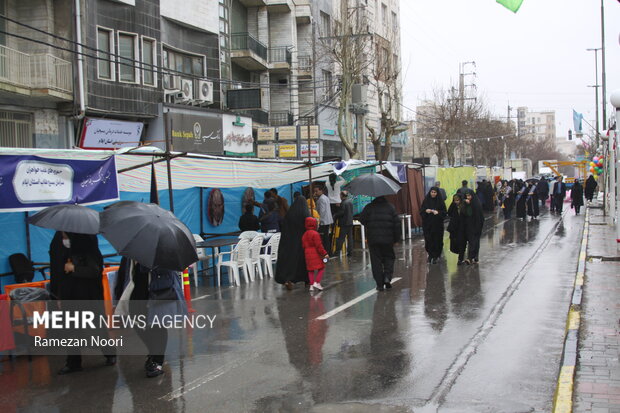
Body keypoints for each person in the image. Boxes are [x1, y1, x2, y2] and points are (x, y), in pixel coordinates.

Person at [52, 232, 116, 374]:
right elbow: (55, 268)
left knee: (97, 328)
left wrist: (75, 268)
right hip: (68, 294)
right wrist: (57, 294)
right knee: (70, 330)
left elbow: (95, 270)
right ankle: (73, 362)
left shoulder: (86, 240)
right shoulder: (57, 242)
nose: (62, 235)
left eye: (64, 234)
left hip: (88, 294)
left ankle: (110, 353)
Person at [116, 258, 186, 378]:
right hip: (136, 292)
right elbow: (124, 275)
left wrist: (145, 262)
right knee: (137, 324)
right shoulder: (130, 254)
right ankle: (153, 352)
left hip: (158, 291)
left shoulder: (163, 251)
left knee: (157, 326)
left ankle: (157, 362)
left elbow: (168, 269)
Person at [359, 196, 400, 291]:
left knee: (376, 261)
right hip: (388, 239)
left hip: (373, 239)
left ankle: (379, 284)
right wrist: (397, 239)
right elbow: (397, 224)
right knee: (389, 257)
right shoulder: (390, 207)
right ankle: (387, 277)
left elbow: (362, 220)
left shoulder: (369, 207)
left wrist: (370, 223)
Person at [275, 195, 310, 290]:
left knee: (291, 262)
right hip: (303, 243)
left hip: (290, 243)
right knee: (303, 262)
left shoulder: (290, 214)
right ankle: (307, 281)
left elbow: (284, 228)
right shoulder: (306, 214)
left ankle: (288, 280)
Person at [420, 187, 447, 264]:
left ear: (437, 193)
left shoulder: (440, 202)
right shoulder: (426, 200)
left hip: (437, 225)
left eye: (435, 192)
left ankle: (436, 255)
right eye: (432, 192)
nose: (433, 194)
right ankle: (430, 255)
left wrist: (438, 213)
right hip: (427, 225)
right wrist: (426, 211)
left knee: (437, 240)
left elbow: (444, 213)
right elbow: (421, 211)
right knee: (428, 240)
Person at [301, 217, 329, 292]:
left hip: (307, 253)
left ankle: (311, 285)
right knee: (321, 267)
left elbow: (303, 245)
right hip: (315, 253)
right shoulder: (315, 234)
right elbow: (319, 245)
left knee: (310, 270)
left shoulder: (304, 234)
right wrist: (325, 253)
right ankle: (317, 282)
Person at [461, 190, 484, 264]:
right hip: (469, 226)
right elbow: (465, 213)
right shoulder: (466, 204)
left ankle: (474, 256)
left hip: (476, 225)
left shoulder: (476, 204)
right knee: (471, 241)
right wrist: (466, 204)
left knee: (475, 241)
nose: (468, 197)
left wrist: (478, 226)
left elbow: (479, 216)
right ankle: (470, 257)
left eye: (469, 195)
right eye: (467, 196)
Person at [333, 190, 354, 257]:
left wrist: (335, 214)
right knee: (350, 238)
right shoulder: (350, 202)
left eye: (340, 195)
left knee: (341, 238)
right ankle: (350, 252)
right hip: (350, 222)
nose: (339, 196)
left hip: (344, 223)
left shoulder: (343, 203)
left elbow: (341, 212)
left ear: (342, 196)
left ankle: (337, 252)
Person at [447, 194, 466, 264]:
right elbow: (449, 213)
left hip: (462, 228)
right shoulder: (453, 205)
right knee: (455, 242)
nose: (456, 202)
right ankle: (460, 257)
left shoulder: (464, 206)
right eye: (455, 200)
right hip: (454, 228)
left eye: (458, 200)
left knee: (462, 243)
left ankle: (460, 259)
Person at [313, 185, 333, 252]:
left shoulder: (321, 199)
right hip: (328, 220)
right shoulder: (325, 197)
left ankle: (325, 251)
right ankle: (328, 251)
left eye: (316, 191)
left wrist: (319, 221)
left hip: (323, 221)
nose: (315, 193)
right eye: (315, 191)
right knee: (326, 237)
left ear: (321, 190)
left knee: (323, 237)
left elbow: (322, 211)